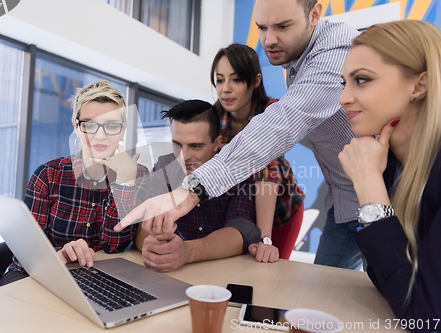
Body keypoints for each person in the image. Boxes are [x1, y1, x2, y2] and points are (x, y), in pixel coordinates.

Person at [115, 0, 362, 270]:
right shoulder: (214, 117)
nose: (268, 39)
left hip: (282, 206)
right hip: (342, 201)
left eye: (282, 26)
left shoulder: (329, 57)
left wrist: (263, 235)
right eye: (262, 28)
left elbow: (271, 157)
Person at [338, 20, 441, 325]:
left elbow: (425, 317)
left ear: (419, 85)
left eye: (362, 80)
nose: (343, 98)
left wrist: (368, 183)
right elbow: (386, 278)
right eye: (343, 82)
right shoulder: (391, 164)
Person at [0, 80, 149, 285]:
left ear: (123, 130)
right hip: (39, 275)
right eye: (89, 125)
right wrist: (61, 253)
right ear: (76, 128)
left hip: (97, 279)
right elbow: (27, 253)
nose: (100, 135)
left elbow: (115, 246)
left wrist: (123, 184)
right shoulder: (49, 175)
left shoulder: (137, 174)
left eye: (111, 126)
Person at [136, 99, 265, 273]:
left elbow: (241, 231)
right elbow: (143, 227)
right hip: (173, 274)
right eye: (177, 144)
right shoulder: (163, 166)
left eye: (195, 146)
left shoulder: (238, 170)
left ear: (216, 143)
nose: (184, 156)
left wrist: (187, 252)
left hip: (223, 273)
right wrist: (154, 248)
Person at [211, 43, 305, 261]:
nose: (225, 88)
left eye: (236, 79)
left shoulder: (274, 112)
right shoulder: (213, 119)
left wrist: (264, 240)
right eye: (220, 79)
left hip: (281, 213)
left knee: (269, 269)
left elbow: (266, 167)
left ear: (255, 81)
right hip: (238, 212)